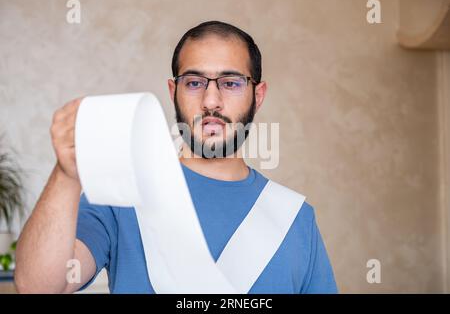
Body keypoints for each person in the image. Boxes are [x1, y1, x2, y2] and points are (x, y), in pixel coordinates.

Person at [14, 20, 338, 293]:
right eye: (194, 82)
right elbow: (38, 287)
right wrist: (66, 175)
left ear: (258, 94)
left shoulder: (296, 218)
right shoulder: (123, 196)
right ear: (174, 92)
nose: (211, 100)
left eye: (231, 82)